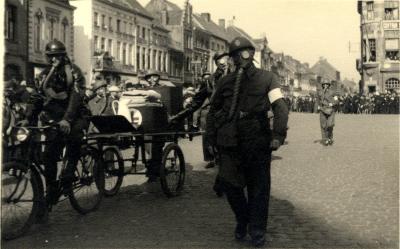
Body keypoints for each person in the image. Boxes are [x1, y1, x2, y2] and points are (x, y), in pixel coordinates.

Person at [206, 36, 288, 247]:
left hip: (257, 139)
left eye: (243, 53)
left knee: (259, 188)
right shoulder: (225, 81)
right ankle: (243, 218)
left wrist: (278, 135)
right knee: (229, 184)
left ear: (252, 54)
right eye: (235, 55)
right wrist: (211, 139)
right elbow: (213, 111)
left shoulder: (267, 78)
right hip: (229, 140)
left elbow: (280, 106)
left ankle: (257, 230)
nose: (240, 58)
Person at [22, 39, 88, 207]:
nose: (53, 60)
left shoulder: (74, 72)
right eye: (50, 56)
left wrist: (67, 119)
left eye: (57, 56)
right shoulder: (44, 74)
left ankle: (68, 176)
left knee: (74, 140)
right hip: (55, 119)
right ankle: (51, 190)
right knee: (49, 155)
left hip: (76, 115)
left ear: (63, 55)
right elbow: (37, 97)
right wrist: (27, 117)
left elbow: (76, 97)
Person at [316, 79, 337, 145]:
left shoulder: (332, 92)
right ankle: (325, 139)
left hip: (330, 110)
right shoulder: (320, 92)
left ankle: (330, 137)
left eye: (327, 84)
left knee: (330, 125)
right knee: (323, 125)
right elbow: (317, 101)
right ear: (322, 85)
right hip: (322, 110)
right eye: (324, 84)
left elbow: (336, 100)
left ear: (329, 85)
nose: (325, 85)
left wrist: (332, 104)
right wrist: (318, 106)